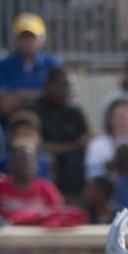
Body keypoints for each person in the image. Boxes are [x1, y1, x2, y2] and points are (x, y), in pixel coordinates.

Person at [0, 12, 62, 132]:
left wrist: (20, 95)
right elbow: (5, 105)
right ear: (16, 39)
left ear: (42, 39)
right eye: (24, 37)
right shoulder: (4, 65)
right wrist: (41, 96)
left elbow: (58, 98)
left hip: (49, 124)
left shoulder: (53, 64)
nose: (28, 41)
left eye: (32, 37)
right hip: (14, 125)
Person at [32, 67, 90, 199]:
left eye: (69, 86)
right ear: (48, 86)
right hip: (43, 162)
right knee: (46, 160)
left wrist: (75, 146)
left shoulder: (75, 112)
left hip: (71, 165)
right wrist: (71, 147)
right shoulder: (35, 110)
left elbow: (85, 140)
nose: (67, 90)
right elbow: (36, 144)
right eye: (62, 86)